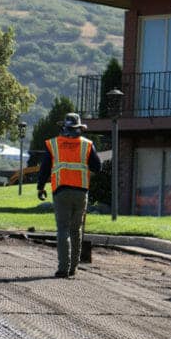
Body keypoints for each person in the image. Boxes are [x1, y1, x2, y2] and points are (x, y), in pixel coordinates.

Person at [36, 112, 102, 278]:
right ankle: (73, 268)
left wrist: (40, 187)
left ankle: (63, 269)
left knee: (63, 229)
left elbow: (44, 169)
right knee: (76, 229)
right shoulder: (87, 145)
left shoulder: (53, 144)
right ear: (79, 128)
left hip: (61, 191)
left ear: (63, 127)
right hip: (81, 192)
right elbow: (97, 167)